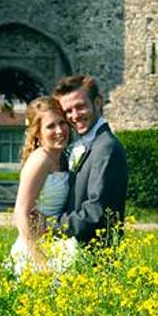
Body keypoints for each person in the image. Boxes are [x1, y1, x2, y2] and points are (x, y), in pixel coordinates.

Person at [52, 75, 128, 249]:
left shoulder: (105, 147)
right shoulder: (84, 144)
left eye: (80, 107)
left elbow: (96, 212)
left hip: (96, 257)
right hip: (75, 252)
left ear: (98, 102)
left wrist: (50, 227)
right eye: (68, 111)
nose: (74, 116)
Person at [8, 96, 78, 277]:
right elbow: (21, 212)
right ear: (37, 132)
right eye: (50, 126)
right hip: (38, 246)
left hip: (59, 238)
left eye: (62, 123)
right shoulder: (40, 160)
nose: (60, 131)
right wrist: (40, 259)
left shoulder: (63, 157)